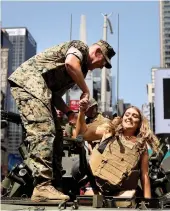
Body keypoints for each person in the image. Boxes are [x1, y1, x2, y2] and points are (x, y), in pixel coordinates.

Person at [8, 39, 115, 202]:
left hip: (42, 91)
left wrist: (69, 113)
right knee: (44, 129)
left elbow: (55, 95)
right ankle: (42, 186)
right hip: (29, 82)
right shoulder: (80, 48)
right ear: (98, 53)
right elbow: (70, 64)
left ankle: (55, 186)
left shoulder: (82, 71)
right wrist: (86, 90)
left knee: (57, 136)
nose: (101, 67)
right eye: (103, 63)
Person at [72, 106, 160, 201]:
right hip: (95, 188)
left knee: (130, 196)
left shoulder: (141, 146)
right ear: (122, 119)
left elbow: (144, 175)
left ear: (139, 123)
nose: (130, 117)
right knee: (91, 199)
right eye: (127, 114)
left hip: (120, 193)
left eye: (135, 116)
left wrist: (148, 201)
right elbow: (80, 134)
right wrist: (81, 111)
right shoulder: (109, 132)